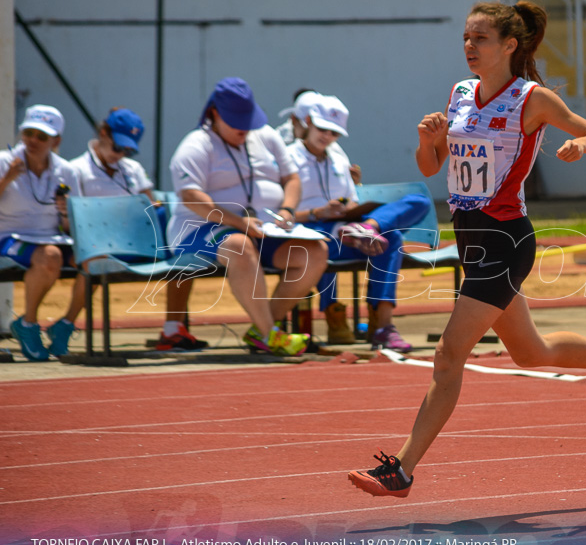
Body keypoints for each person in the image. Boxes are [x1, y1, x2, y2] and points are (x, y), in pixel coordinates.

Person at [347, 0, 586, 498]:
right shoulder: (460, 93)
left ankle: (400, 469)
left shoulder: (532, 100)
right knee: (532, 352)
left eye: (481, 38)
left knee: (448, 356)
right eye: (466, 38)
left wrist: (580, 145)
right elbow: (431, 168)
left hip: (506, 240)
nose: (469, 47)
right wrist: (429, 141)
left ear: (510, 45)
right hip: (470, 239)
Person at [164, 77, 328, 356]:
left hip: (262, 230)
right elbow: (191, 197)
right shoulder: (196, 144)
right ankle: (270, 335)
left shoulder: (265, 136)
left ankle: (262, 329)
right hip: (201, 231)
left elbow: (292, 178)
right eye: (235, 121)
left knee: (314, 252)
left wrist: (287, 209)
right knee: (238, 244)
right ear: (215, 113)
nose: (243, 128)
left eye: (246, 120)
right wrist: (239, 223)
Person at [287, 96, 431, 350]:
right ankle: (376, 324)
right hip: (310, 235)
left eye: (334, 133)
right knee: (390, 239)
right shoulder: (287, 158)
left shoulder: (338, 158)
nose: (328, 137)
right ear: (308, 122)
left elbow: (350, 200)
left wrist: (354, 210)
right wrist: (317, 213)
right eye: (323, 129)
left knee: (418, 201)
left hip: (348, 231)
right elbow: (274, 214)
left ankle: (370, 228)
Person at [61, 107, 179, 347]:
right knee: (94, 258)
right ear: (104, 133)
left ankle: (173, 331)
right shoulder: (76, 169)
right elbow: (69, 220)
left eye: (128, 150)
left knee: (184, 253)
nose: (121, 154)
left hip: (136, 244)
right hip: (93, 245)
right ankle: (65, 325)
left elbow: (150, 205)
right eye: (118, 147)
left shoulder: (133, 169)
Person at [0, 105, 82, 361]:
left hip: (52, 238)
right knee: (50, 257)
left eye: (42, 136)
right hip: (8, 236)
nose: (33, 141)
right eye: (28, 133)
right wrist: (7, 179)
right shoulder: (4, 161)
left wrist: (65, 213)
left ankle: (65, 324)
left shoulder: (67, 170)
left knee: (93, 260)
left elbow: (72, 226)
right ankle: (28, 324)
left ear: (56, 140)